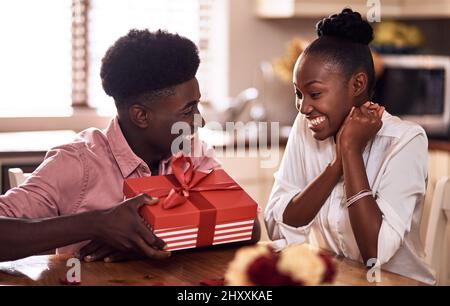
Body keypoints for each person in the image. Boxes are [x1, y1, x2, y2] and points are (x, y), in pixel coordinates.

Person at [0, 29, 260, 263]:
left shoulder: (192, 153)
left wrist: (147, 240)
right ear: (141, 116)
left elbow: (249, 227)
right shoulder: (77, 163)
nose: (200, 121)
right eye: (188, 109)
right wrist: (97, 224)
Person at [264, 9, 434, 284]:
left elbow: (374, 255)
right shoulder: (306, 127)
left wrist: (352, 151)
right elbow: (277, 224)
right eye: (298, 93)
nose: (304, 107)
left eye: (315, 93)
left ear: (357, 84)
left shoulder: (405, 141)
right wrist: (337, 164)